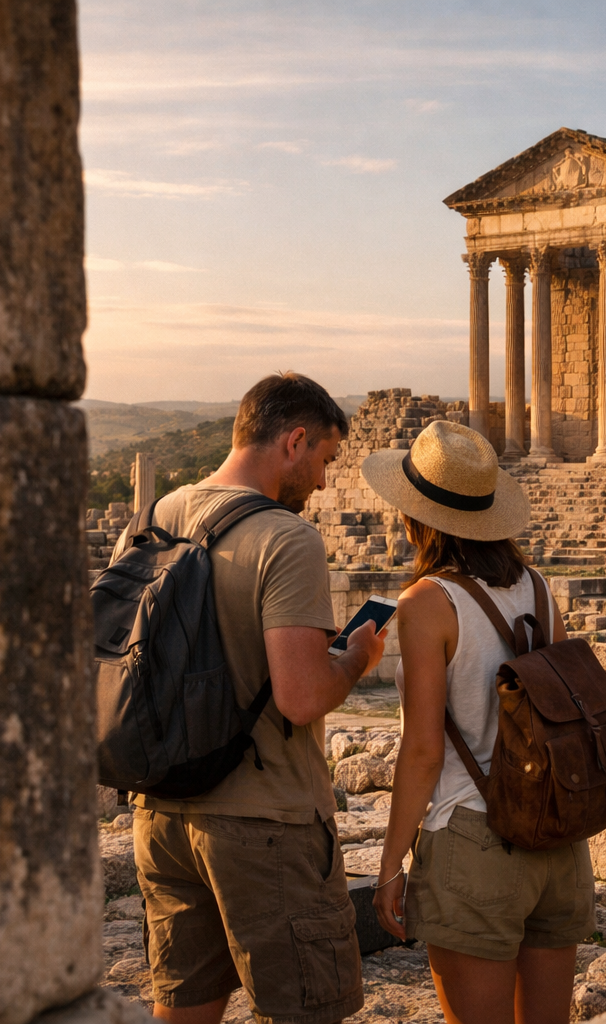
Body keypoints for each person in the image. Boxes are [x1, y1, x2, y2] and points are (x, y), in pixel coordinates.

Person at [119, 372, 384, 1024]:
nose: (324, 481)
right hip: (263, 824)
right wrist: (352, 661)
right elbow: (299, 697)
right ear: (294, 441)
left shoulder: (153, 518)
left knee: (183, 1008)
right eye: (324, 460)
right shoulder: (287, 540)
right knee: (304, 1009)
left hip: (162, 813)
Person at [361, 420, 594, 1024]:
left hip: (474, 837)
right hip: (557, 835)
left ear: (417, 518)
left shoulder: (426, 605)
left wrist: (390, 868)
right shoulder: (540, 589)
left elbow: (421, 752)